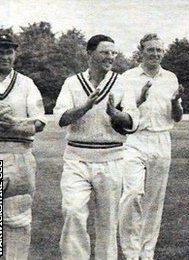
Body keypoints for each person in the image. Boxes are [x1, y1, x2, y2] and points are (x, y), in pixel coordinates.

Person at [53, 34, 139, 259]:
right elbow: (61, 118)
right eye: (104, 52)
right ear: (89, 54)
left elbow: (133, 120)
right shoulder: (72, 83)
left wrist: (115, 114)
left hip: (112, 159)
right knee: (72, 211)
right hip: (77, 159)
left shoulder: (121, 83)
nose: (110, 57)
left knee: (108, 222)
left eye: (113, 53)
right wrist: (86, 106)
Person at [118, 33, 184, 260]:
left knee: (154, 202)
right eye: (150, 50)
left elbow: (177, 117)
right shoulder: (128, 77)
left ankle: (146, 253)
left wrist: (175, 102)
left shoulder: (171, 78)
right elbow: (122, 113)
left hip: (162, 139)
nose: (155, 54)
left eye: (158, 50)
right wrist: (140, 99)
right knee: (133, 193)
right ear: (141, 51)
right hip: (134, 140)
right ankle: (130, 252)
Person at [0, 33, 46, 260]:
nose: (5, 56)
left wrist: (13, 126)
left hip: (19, 157)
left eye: (9, 51)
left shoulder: (26, 84)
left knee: (17, 221)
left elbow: (38, 123)